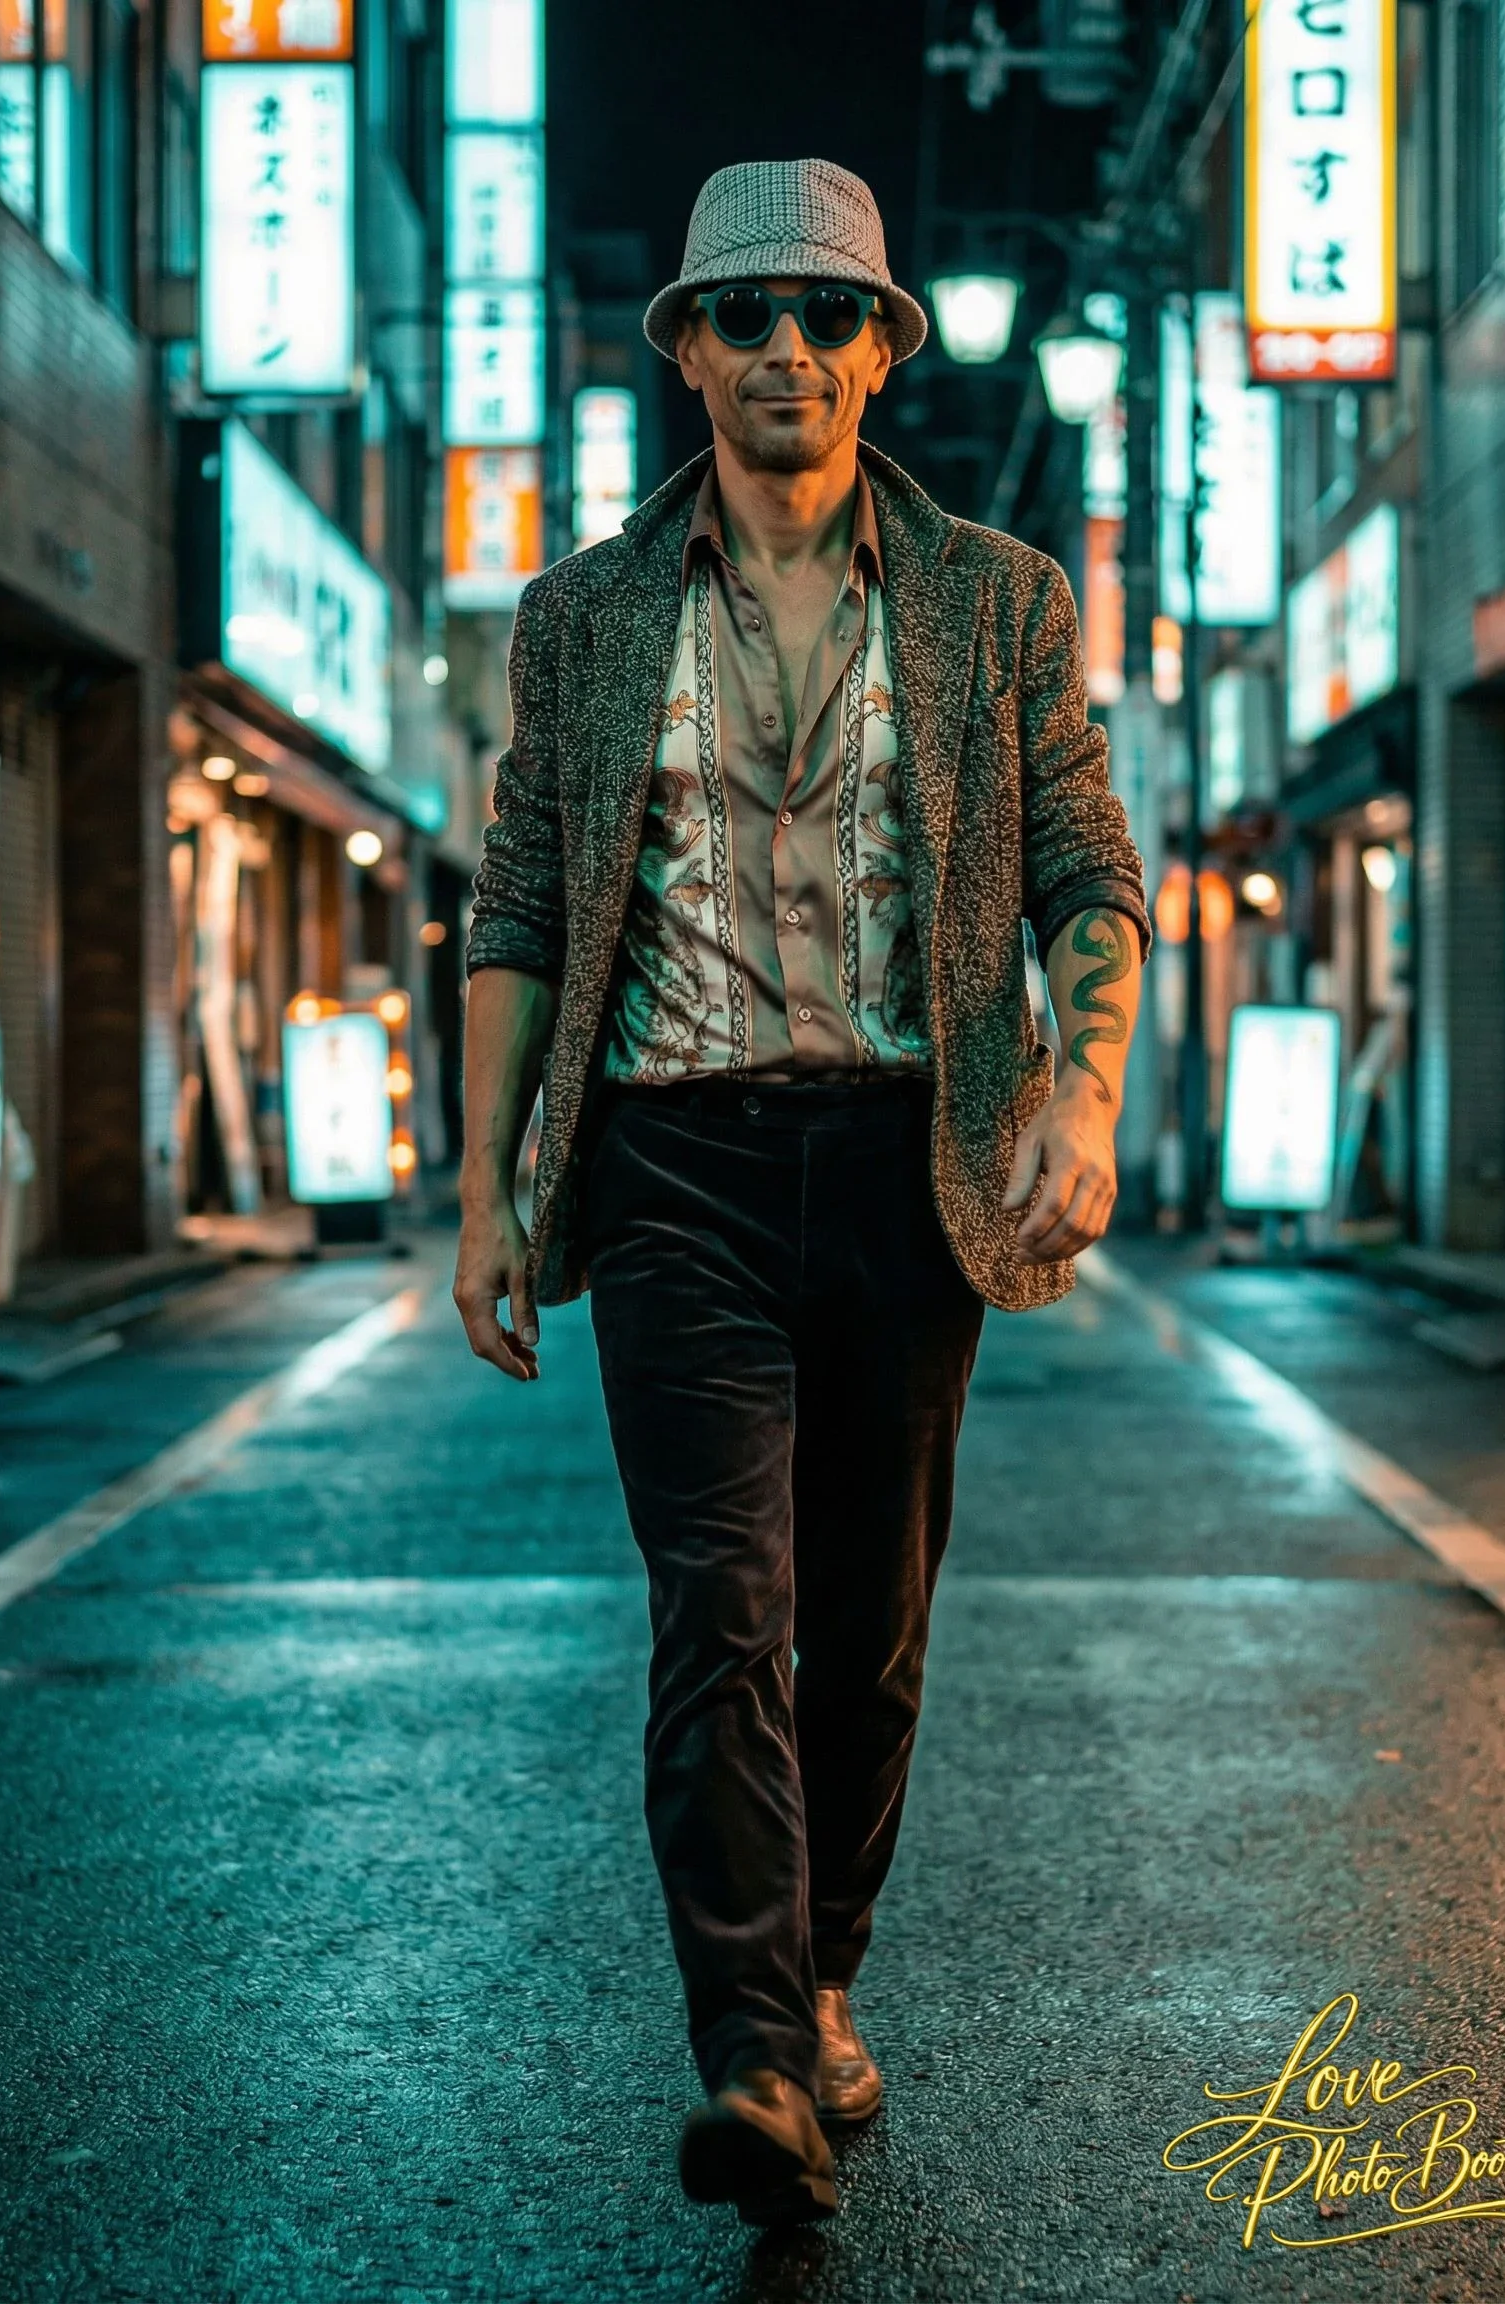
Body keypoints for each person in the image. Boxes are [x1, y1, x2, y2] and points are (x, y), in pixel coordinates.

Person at [454, 157, 1150, 2227]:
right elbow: (518, 902)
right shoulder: (578, 616)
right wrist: (483, 1198)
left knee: (865, 1635)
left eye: (826, 316)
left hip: (902, 1156)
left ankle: (825, 1974)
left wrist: (1087, 1085)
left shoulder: (995, 600)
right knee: (719, 1614)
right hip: (669, 1158)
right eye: (742, 313)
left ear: (878, 351)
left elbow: (1083, 867)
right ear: (683, 350)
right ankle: (753, 2052)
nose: (785, 350)